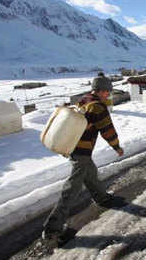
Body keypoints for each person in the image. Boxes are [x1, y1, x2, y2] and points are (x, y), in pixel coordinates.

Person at [42, 72, 126, 246]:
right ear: (101, 91)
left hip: (74, 147)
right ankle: (53, 228)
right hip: (81, 151)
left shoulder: (83, 100)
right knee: (72, 188)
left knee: (91, 173)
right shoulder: (97, 107)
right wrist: (117, 147)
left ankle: (102, 198)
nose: (108, 95)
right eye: (107, 92)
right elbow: (107, 130)